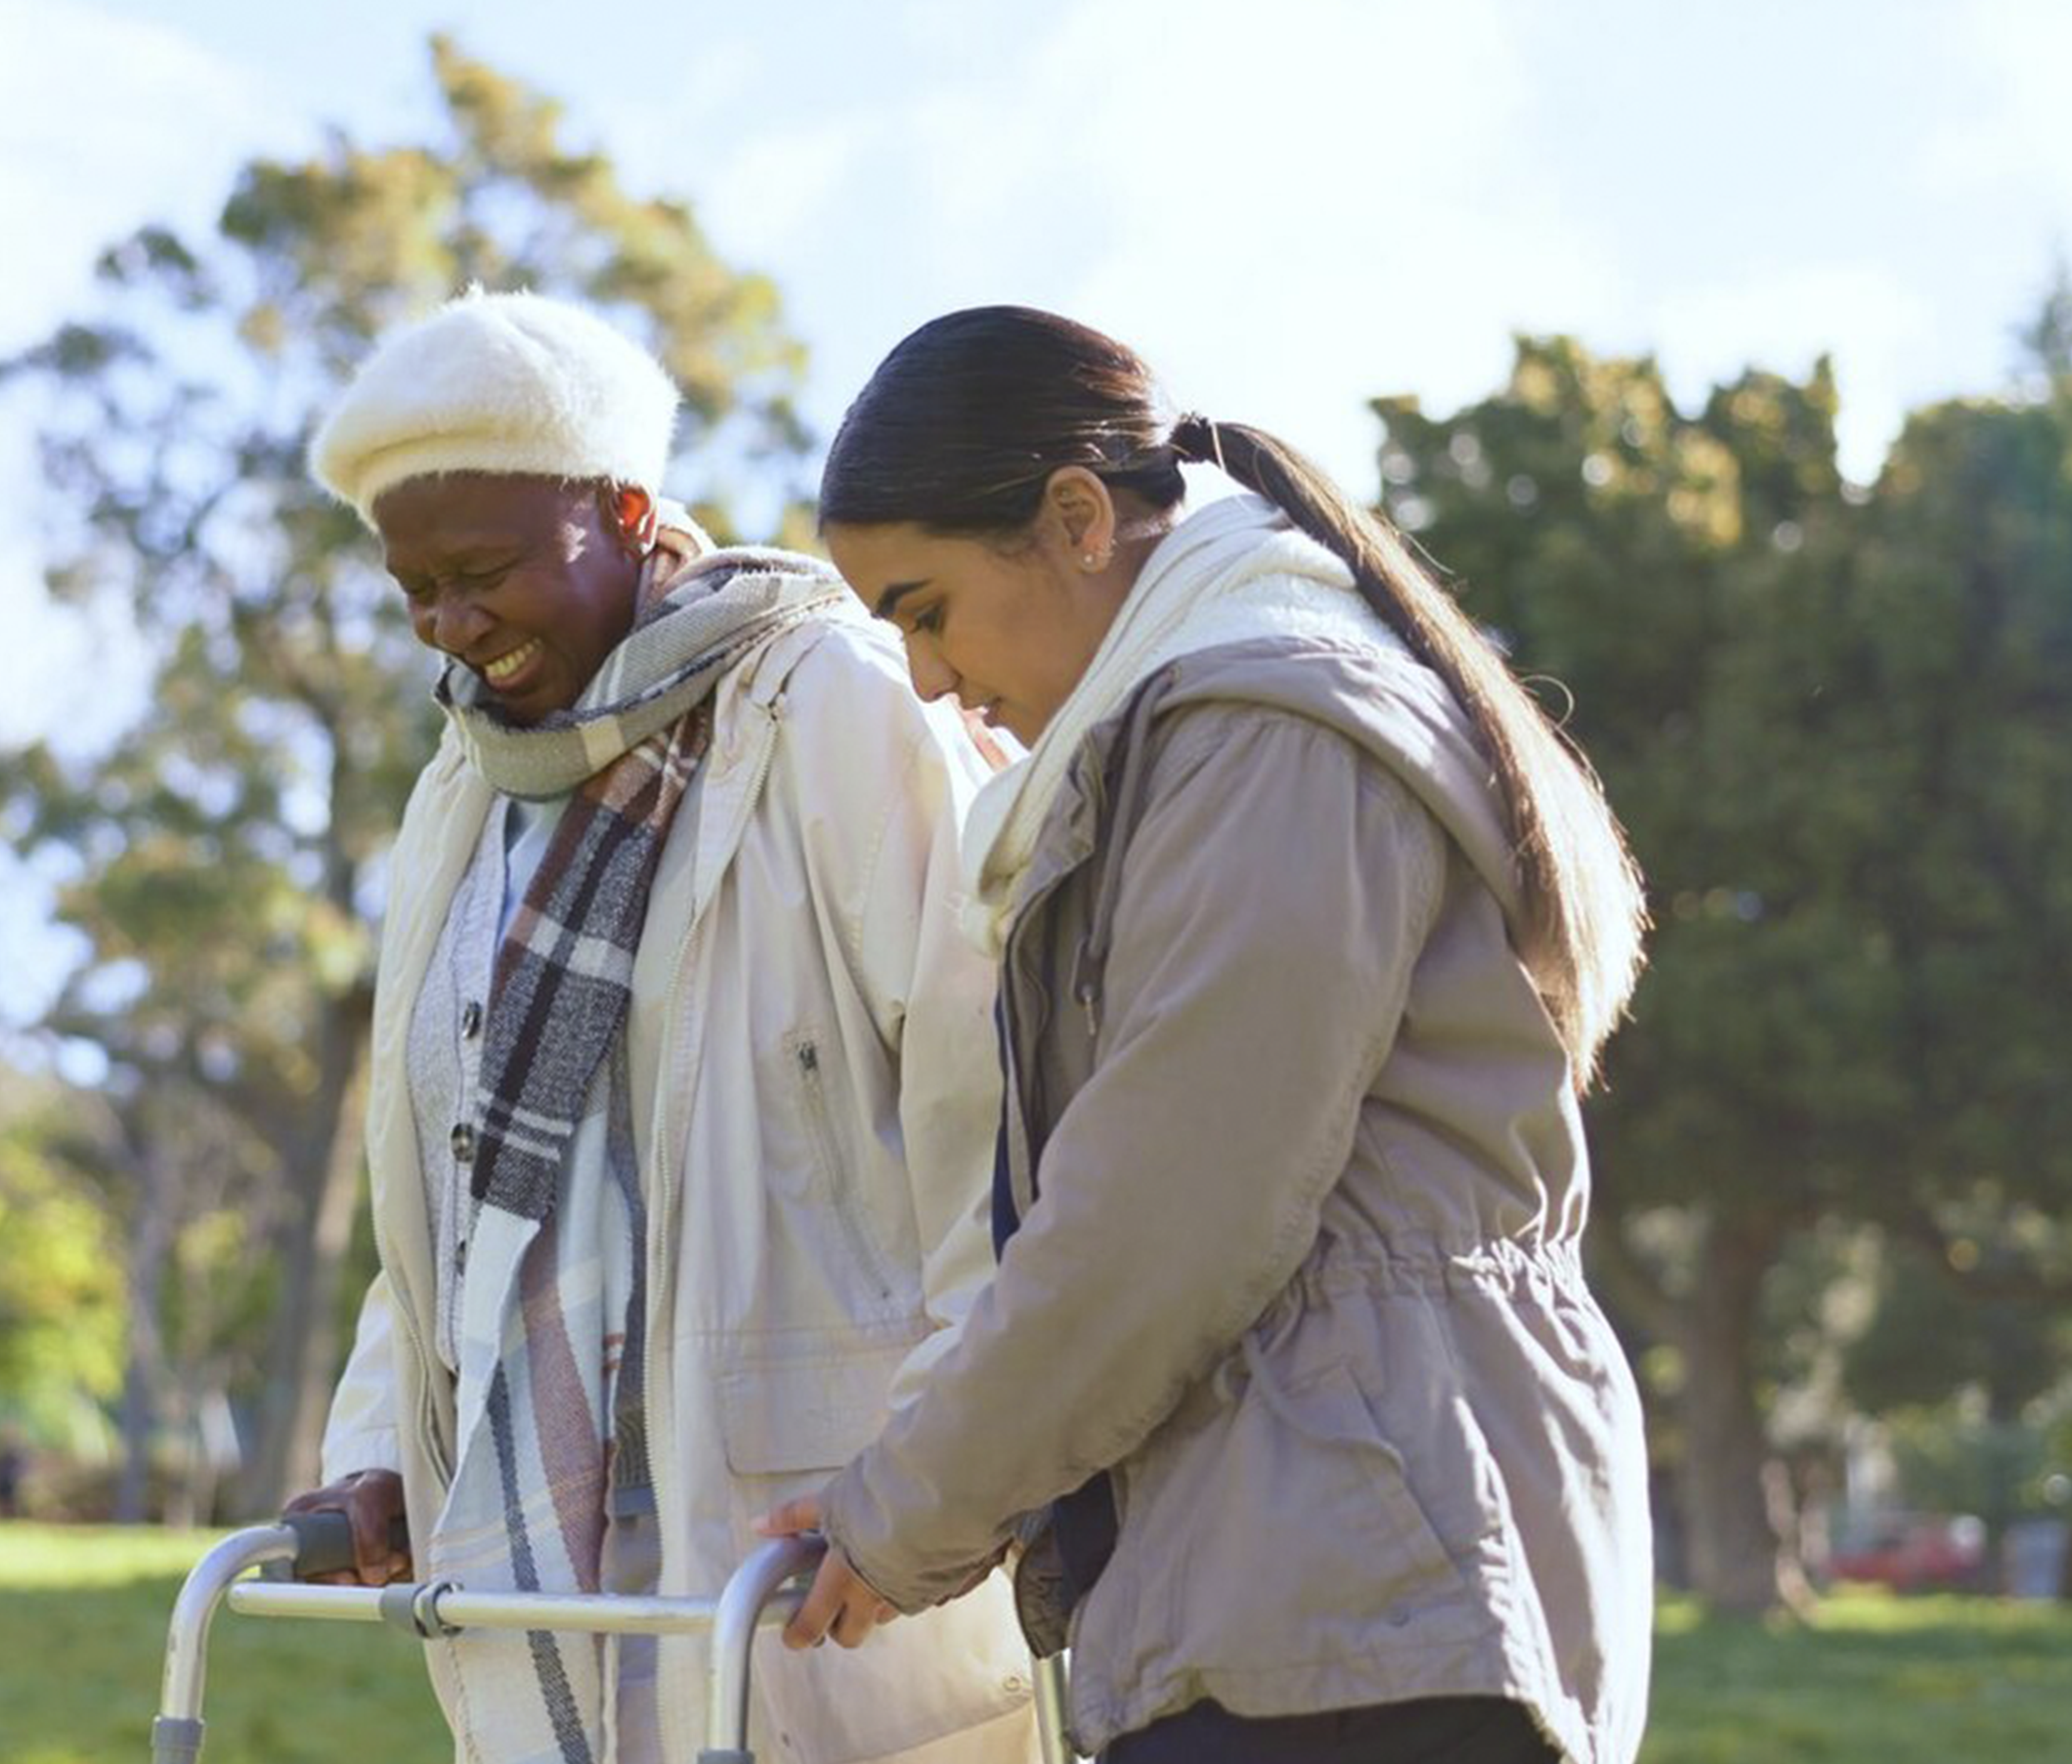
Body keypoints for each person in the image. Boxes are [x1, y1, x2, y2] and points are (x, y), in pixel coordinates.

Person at [767, 307, 1655, 1764]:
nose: (924, 678)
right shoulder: (1212, 728)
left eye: (925, 609)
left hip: (1364, 1589)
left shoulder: (1265, 734)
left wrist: (906, 1511)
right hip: (1327, 1578)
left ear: (1072, 520)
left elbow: (1161, 1214)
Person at [288, 290, 1040, 1764]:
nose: (452, 628)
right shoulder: (462, 789)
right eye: (413, 590)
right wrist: (373, 1451)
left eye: (484, 571)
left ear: (626, 510)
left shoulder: (826, 700)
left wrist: (944, 1480)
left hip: (816, 1555)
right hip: (553, 1576)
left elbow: (993, 1119)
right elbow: (444, 1196)